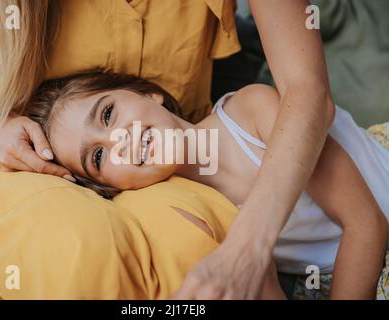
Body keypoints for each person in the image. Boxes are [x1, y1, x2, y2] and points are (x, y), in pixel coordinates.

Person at [0, 0, 336, 298]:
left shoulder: (245, 118)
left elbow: (307, 88)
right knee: (79, 251)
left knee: (183, 245)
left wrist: (248, 245)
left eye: (110, 113)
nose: (119, 136)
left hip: (161, 169)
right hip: (28, 151)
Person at [27, 70, 389, 299]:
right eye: (98, 158)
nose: (119, 140)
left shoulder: (252, 112)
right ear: (113, 188)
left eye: (108, 114)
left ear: (147, 92)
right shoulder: (191, 217)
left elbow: (367, 223)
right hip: (338, 274)